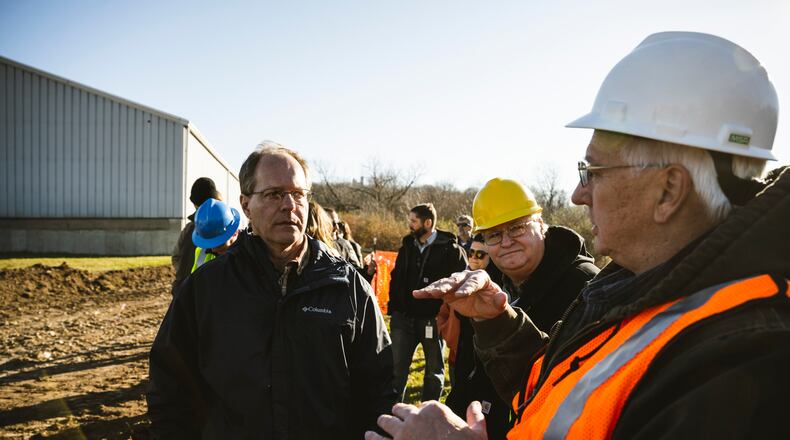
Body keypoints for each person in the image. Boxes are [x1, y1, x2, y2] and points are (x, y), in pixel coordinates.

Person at [368, 32, 790, 439]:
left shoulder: (745, 359)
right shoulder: (647, 284)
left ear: (668, 191)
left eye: (593, 171)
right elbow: (566, 396)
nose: (578, 194)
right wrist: (498, 322)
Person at [148, 142, 396, 439]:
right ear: (245, 204)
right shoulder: (206, 289)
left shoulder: (347, 286)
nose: (289, 205)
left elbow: (380, 387)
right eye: (274, 194)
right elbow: (170, 388)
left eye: (297, 194)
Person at [444, 180, 598, 439]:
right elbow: (469, 370)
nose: (506, 242)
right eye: (494, 234)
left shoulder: (585, 287)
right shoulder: (483, 287)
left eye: (516, 228)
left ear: (541, 225)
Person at [388, 203, 468, 402]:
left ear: (428, 223)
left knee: (433, 371)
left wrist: (444, 314)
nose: (410, 225)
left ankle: (428, 414)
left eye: (414, 221)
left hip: (432, 321)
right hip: (403, 320)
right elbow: (396, 277)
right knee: (396, 370)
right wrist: (395, 309)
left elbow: (460, 284)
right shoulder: (406, 246)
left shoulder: (451, 250)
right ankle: (392, 414)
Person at [171, 177, 220, 294]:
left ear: (194, 203)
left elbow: (175, 257)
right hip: (200, 293)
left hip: (181, 290)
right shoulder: (218, 229)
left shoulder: (188, 229)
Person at [190, 198, 242, 273]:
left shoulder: (249, 253)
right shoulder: (201, 252)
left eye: (220, 244)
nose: (214, 249)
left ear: (234, 233)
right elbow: (194, 281)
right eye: (209, 243)